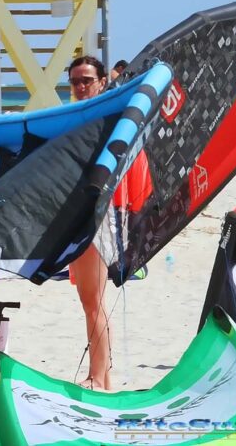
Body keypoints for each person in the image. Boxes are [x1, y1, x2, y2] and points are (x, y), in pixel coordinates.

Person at [67, 55, 151, 391]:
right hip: (80, 215)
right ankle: (104, 376)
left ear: (102, 81)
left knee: (92, 300)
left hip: (99, 216)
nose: (81, 86)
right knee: (91, 300)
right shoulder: (76, 116)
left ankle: (97, 378)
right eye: (75, 82)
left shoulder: (110, 116)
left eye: (87, 80)